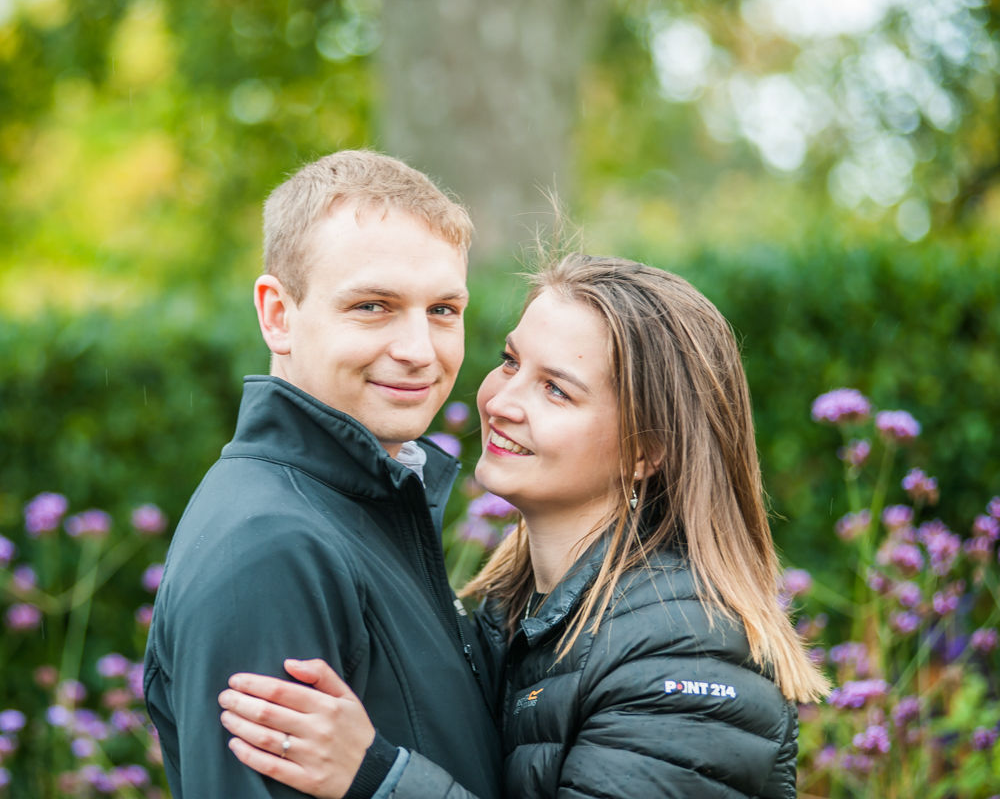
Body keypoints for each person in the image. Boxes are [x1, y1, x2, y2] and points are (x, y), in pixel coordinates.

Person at [216, 254, 831, 797]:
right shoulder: (508, 612)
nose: (501, 402)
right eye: (510, 363)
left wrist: (376, 777)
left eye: (556, 390)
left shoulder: (683, 650)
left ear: (646, 450)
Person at [143, 150, 502, 798]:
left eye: (443, 310)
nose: (420, 351)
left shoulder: (366, 504)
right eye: (373, 306)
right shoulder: (271, 548)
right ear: (278, 315)